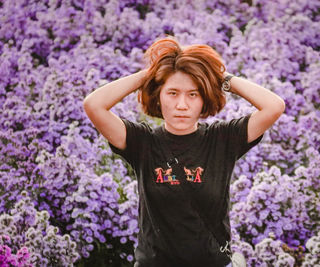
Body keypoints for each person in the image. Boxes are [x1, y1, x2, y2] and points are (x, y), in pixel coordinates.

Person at [83, 37, 285, 267]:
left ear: (204, 98)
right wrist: (151, 75)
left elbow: (274, 106)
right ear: (159, 96)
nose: (182, 105)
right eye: (172, 93)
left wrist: (218, 78)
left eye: (193, 94)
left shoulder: (223, 139)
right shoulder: (142, 142)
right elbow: (93, 105)